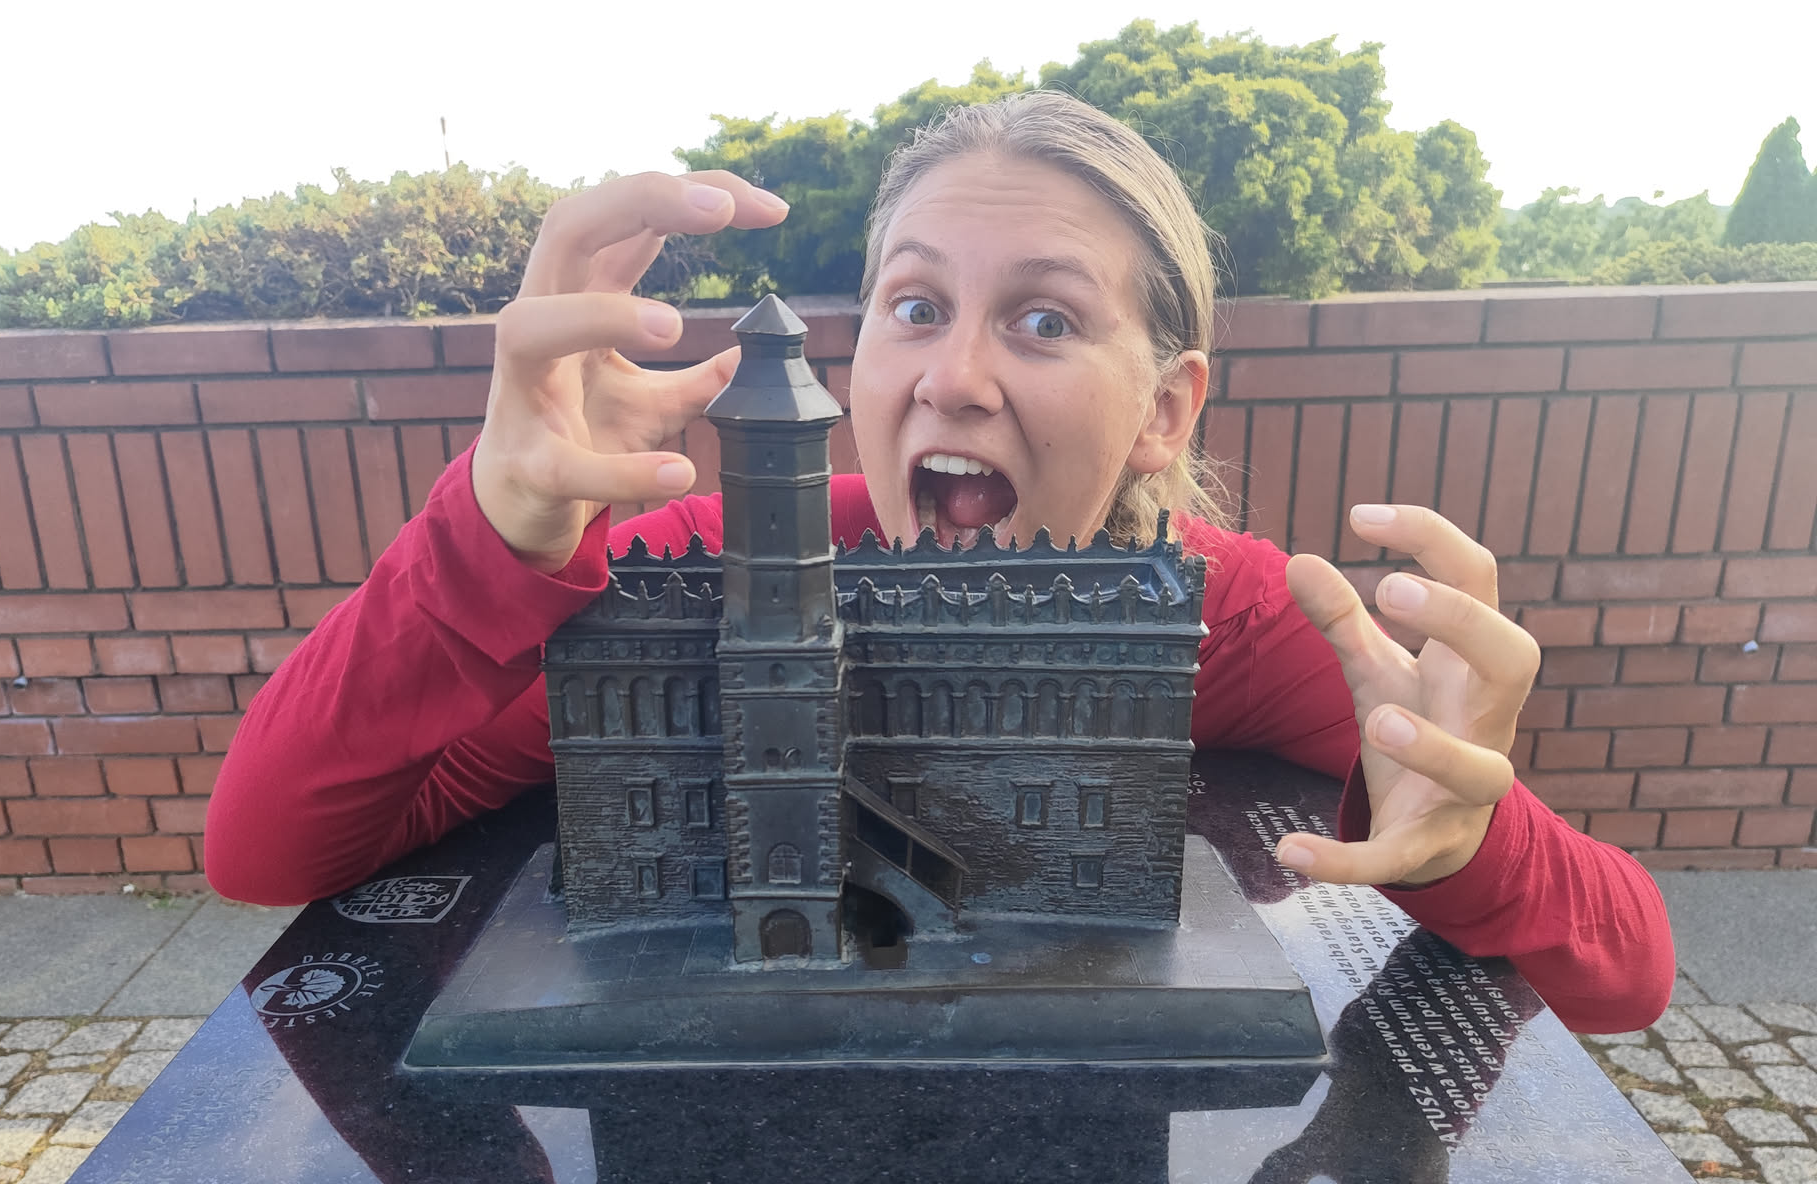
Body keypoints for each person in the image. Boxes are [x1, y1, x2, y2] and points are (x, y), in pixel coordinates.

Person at [205, 91, 1673, 1035]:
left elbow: (1630, 967)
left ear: (1163, 411)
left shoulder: (1227, 614)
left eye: (1044, 321)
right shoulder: (699, 577)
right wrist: (485, 548)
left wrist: (1472, 841)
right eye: (914, 307)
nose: (956, 376)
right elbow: (269, 851)